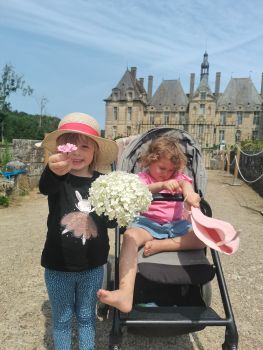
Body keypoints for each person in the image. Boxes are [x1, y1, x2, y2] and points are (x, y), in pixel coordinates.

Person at [97, 135, 205, 313]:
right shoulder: (142, 178)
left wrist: (190, 194)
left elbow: (185, 184)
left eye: (171, 170)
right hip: (148, 224)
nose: (166, 173)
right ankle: (125, 293)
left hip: (176, 225)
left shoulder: (177, 177)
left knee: (203, 238)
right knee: (130, 236)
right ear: (150, 160)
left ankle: (162, 246)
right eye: (162, 168)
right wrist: (161, 185)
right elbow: (140, 191)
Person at [38, 112, 118, 350]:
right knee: (61, 319)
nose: (77, 152)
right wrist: (53, 169)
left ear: (95, 152)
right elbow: (44, 187)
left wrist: (121, 209)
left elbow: (111, 223)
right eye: (70, 146)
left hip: (93, 266)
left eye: (85, 146)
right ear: (60, 150)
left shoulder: (104, 182)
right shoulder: (57, 179)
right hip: (58, 266)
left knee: (86, 316)